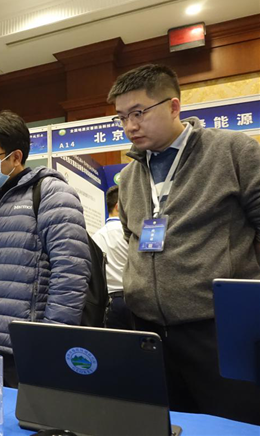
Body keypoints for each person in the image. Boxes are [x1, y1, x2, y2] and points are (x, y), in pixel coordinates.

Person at [109, 63, 260, 424]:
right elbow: (131, 237)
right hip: (148, 331)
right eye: (122, 117)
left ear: (174, 106)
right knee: (165, 424)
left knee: (231, 425)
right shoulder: (129, 176)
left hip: (216, 329)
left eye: (138, 113)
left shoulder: (232, 151)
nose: (130, 126)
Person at [0, 110, 91, 388]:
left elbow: (71, 273)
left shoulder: (51, 193)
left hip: (31, 346)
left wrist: (51, 341)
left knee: (32, 414)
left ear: (16, 157)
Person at [92, 185, 134, 329]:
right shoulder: (131, 234)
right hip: (131, 300)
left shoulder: (96, 237)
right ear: (118, 206)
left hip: (108, 304)